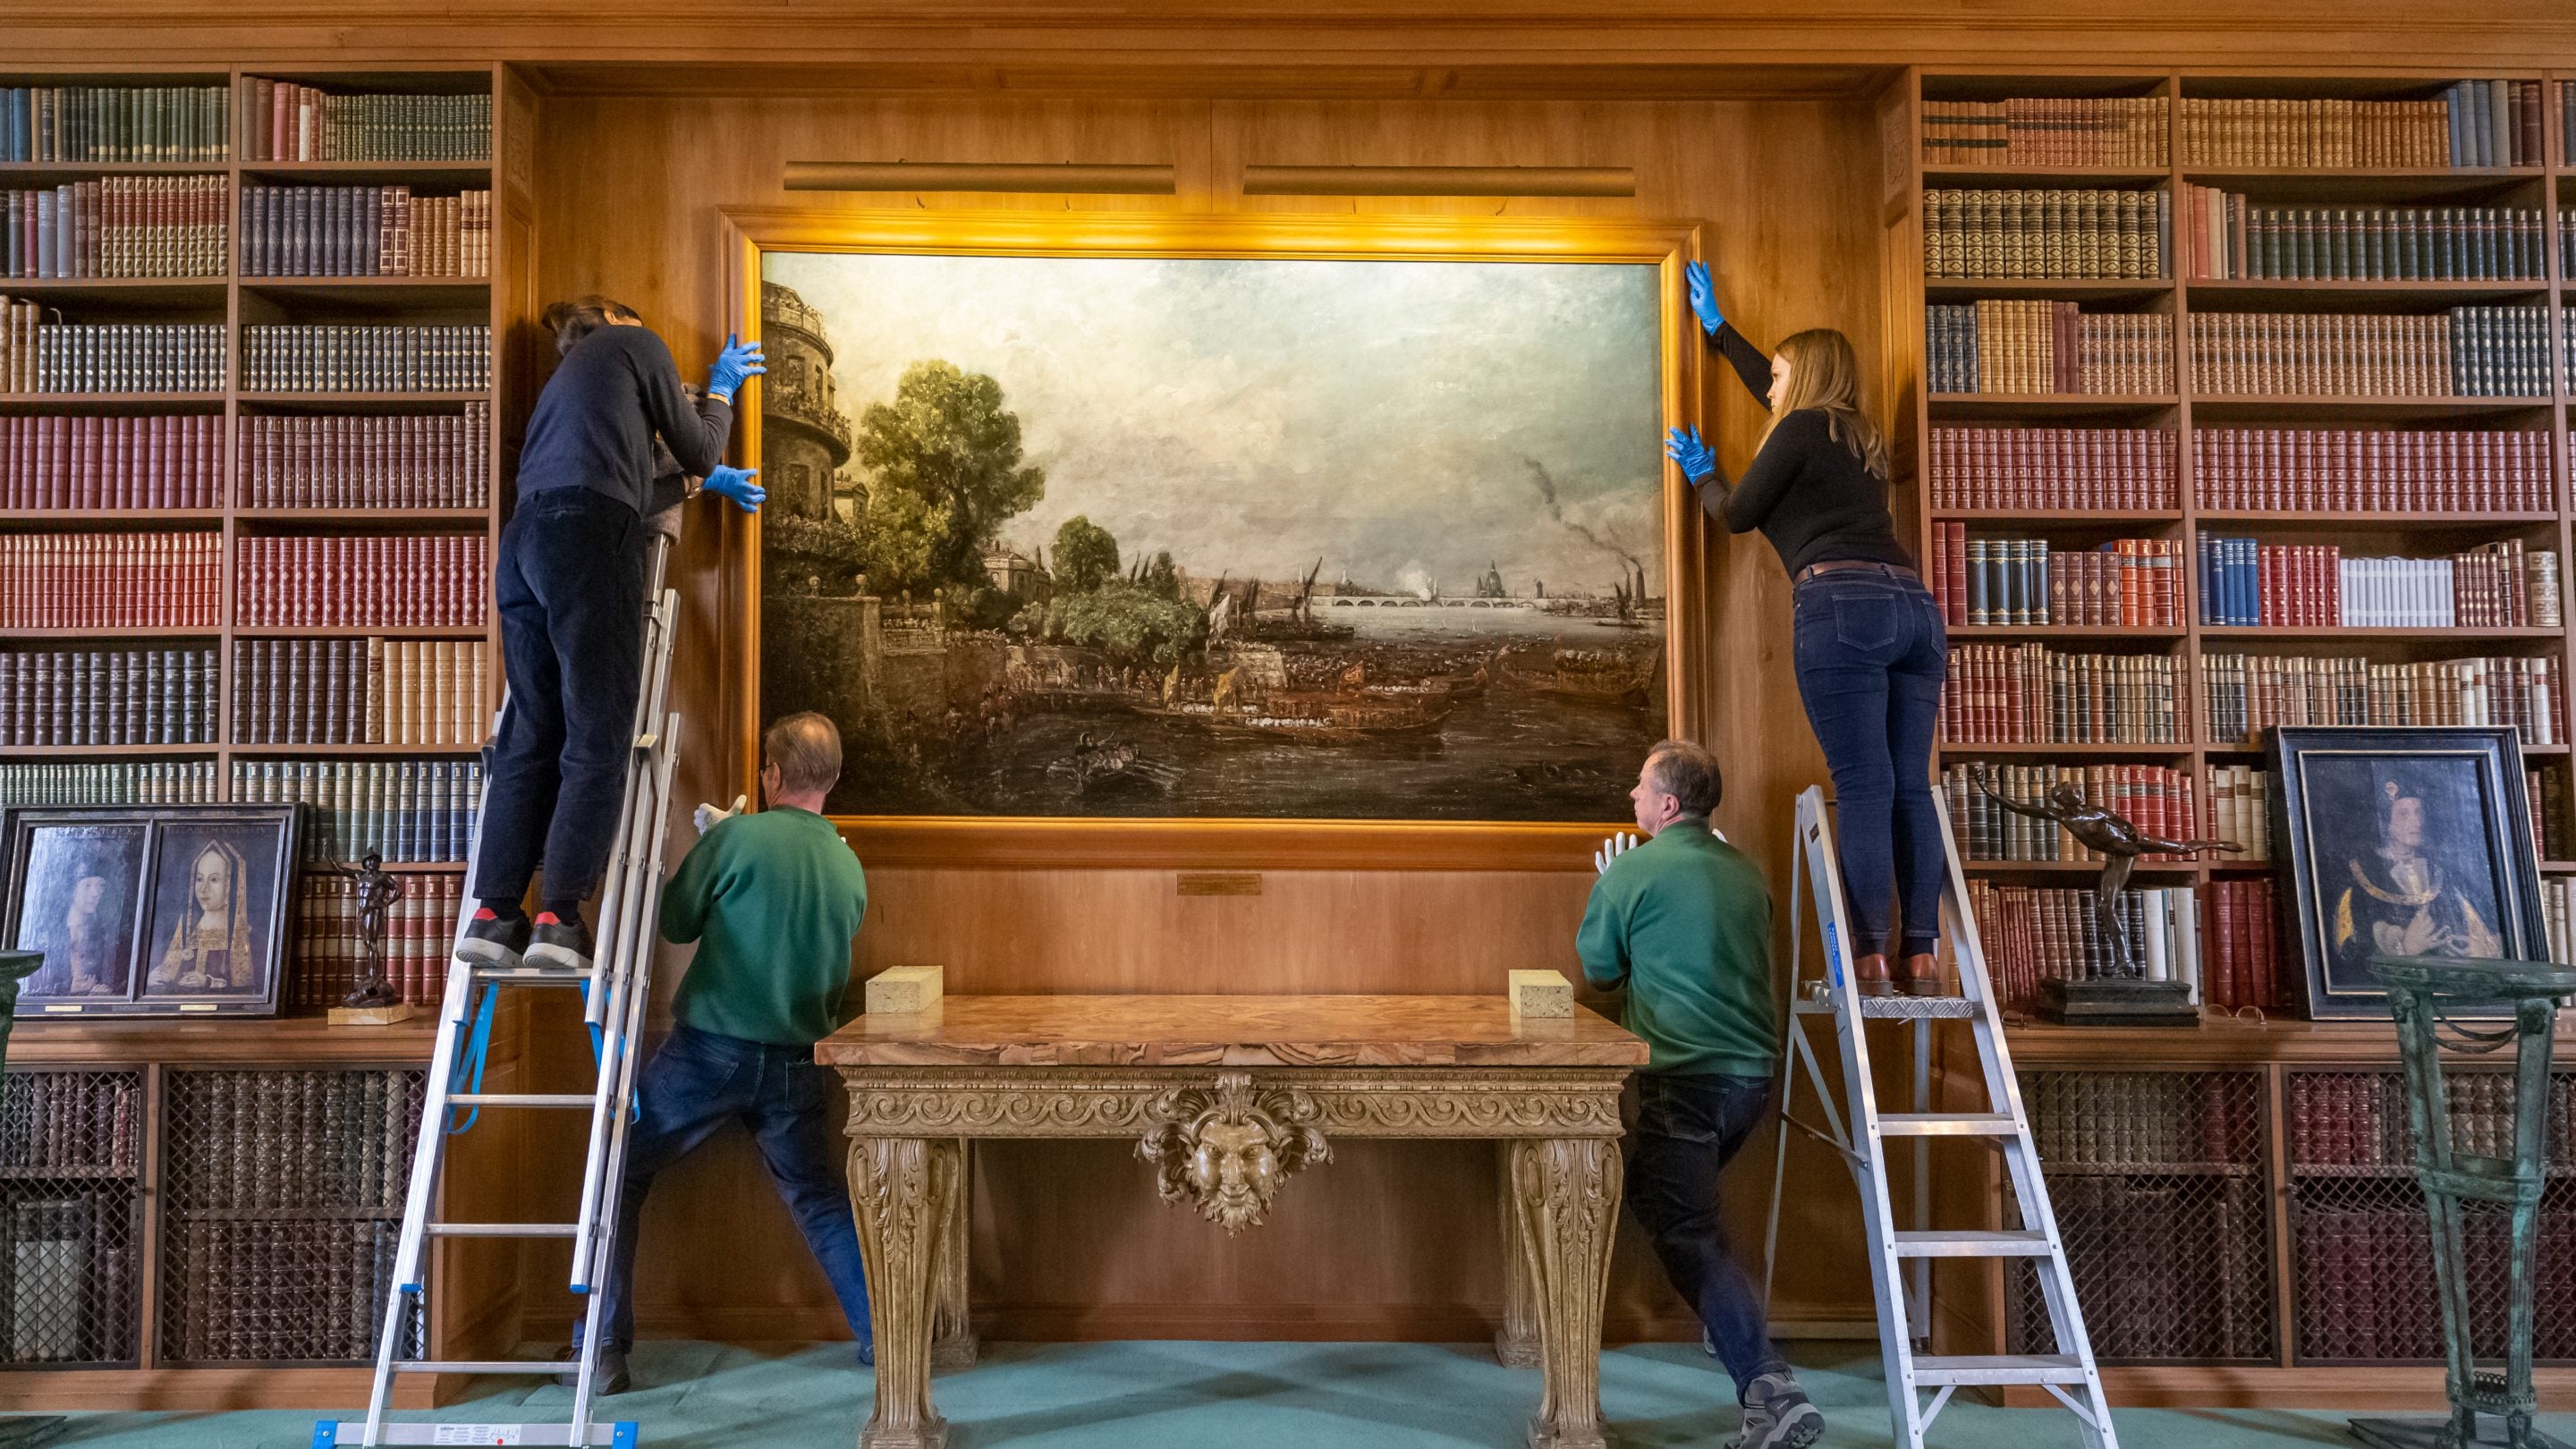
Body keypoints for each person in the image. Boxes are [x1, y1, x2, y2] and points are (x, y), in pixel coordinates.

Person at [1663, 262, 1945, 997]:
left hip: (1841, 605)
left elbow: (1737, 515)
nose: (1774, 385)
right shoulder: (1858, 437)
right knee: (1907, 784)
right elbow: (1773, 389)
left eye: (1785, 373)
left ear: (1807, 378)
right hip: (1914, 606)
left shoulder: (1795, 431)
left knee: (1862, 784)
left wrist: (1703, 474)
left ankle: (1869, 957)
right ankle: (1920, 950)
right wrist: (1722, 334)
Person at [460, 297, 766, 976]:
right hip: (588, 538)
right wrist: (718, 391)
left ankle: (493, 913)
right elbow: (701, 443)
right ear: (621, 318)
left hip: (524, 539)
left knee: (533, 728)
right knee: (599, 733)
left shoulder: (566, 387)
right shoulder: (637, 343)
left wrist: (695, 485)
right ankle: (558, 919)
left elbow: (622, 487)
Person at [570, 711, 873, 1394]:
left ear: (772, 774)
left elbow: (676, 923)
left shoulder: (738, 836)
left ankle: (603, 1354)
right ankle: (885, 1342)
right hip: (800, 1062)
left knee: (617, 1177)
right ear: (831, 777)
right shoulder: (847, 861)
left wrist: (710, 842)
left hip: (711, 1054)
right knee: (819, 1201)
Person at [1579, 741, 1820, 1449]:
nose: (1631, 796)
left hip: (1681, 1078)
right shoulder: (1747, 873)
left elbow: (1597, 971)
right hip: (1751, 1080)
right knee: (1671, 1205)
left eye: (1640, 787)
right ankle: (1732, 1328)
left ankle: (1768, 1388)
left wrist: (1614, 887)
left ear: (1669, 804)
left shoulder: (1634, 870)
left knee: (1684, 1230)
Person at [151, 840, 255, 991]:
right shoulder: (185, 932)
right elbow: (166, 981)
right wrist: (150, 980)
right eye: (199, 879)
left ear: (230, 885)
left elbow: (249, 990)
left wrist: (208, 982)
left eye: (214, 879)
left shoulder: (249, 937)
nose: (203, 888)